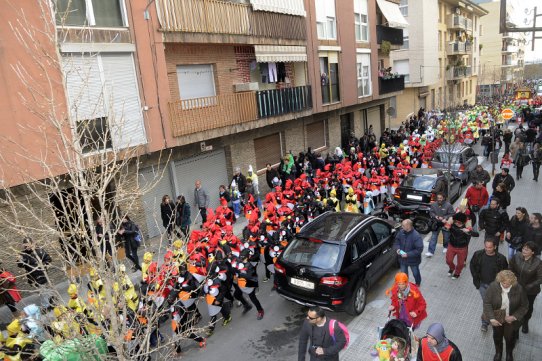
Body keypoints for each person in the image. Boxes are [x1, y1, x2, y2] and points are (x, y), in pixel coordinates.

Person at [483, 270, 528, 361]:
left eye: (509, 283)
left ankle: (509, 354)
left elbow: (525, 305)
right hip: (497, 317)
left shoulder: (519, 289)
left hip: (511, 318)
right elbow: (487, 303)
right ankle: (498, 352)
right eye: (504, 283)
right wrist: (492, 318)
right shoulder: (493, 287)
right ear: (500, 280)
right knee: (497, 336)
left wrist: (514, 317)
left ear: (513, 281)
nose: (506, 285)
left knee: (510, 337)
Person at [470, 239, 509, 332]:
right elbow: (472, 267)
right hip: (482, 285)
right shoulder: (478, 254)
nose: (487, 249)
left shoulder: (501, 258)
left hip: (495, 287)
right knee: (487, 303)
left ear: (495, 247)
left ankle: (492, 318)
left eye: (490, 247)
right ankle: (485, 322)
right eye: (486, 247)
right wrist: (477, 282)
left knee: (492, 304)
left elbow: (505, 272)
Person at [509, 241, 542, 334]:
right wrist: (512, 278)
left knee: (527, 308)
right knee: (515, 305)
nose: (524, 250)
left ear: (533, 252)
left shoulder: (538, 263)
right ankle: (515, 325)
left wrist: (528, 286)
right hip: (516, 287)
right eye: (523, 248)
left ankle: (525, 322)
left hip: (530, 291)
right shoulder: (517, 256)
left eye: (527, 249)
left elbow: (540, 278)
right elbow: (510, 267)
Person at [17, 237, 52, 308]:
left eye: (29, 245)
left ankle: (47, 305)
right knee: (42, 291)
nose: (27, 247)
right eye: (26, 246)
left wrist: (42, 266)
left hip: (42, 275)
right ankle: (50, 302)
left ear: (32, 243)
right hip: (32, 277)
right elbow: (20, 265)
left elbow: (48, 259)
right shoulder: (23, 254)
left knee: (43, 291)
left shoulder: (39, 250)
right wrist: (20, 260)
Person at [393, 219, 424, 286]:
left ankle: (417, 283)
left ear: (408, 226)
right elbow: (397, 241)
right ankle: (405, 284)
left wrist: (408, 254)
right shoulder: (401, 232)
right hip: (402, 259)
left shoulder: (416, 236)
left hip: (413, 260)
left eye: (403, 225)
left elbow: (419, 249)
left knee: (415, 273)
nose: (401, 227)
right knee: (404, 274)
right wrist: (398, 248)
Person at [446, 213, 474, 279]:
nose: (457, 223)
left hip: (462, 248)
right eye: (456, 222)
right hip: (452, 246)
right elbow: (444, 226)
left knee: (461, 264)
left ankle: (457, 273)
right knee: (448, 261)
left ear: (463, 222)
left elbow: (476, 234)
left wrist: (469, 231)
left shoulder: (467, 227)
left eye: (459, 222)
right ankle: (452, 268)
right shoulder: (452, 225)